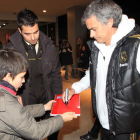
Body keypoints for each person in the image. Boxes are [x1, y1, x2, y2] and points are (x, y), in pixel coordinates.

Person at [62, 0, 140, 140]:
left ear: (110, 22)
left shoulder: (136, 46)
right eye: (89, 30)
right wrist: (75, 88)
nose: (91, 35)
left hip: (126, 127)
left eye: (94, 29)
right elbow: (92, 75)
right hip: (104, 123)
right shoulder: (97, 47)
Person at [4, 9, 62, 140]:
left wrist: (58, 97)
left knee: (53, 130)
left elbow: (56, 74)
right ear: (19, 31)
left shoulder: (50, 46)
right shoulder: (10, 50)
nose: (33, 37)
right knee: (31, 134)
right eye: (27, 34)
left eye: (36, 32)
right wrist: (15, 94)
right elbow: (5, 79)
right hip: (27, 100)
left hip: (48, 96)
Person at [0, 48, 77, 140]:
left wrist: (45, 107)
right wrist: (61, 119)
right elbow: (35, 131)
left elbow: (19, 112)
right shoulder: (6, 103)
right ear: (8, 76)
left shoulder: (5, 95)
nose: (24, 81)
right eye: (21, 77)